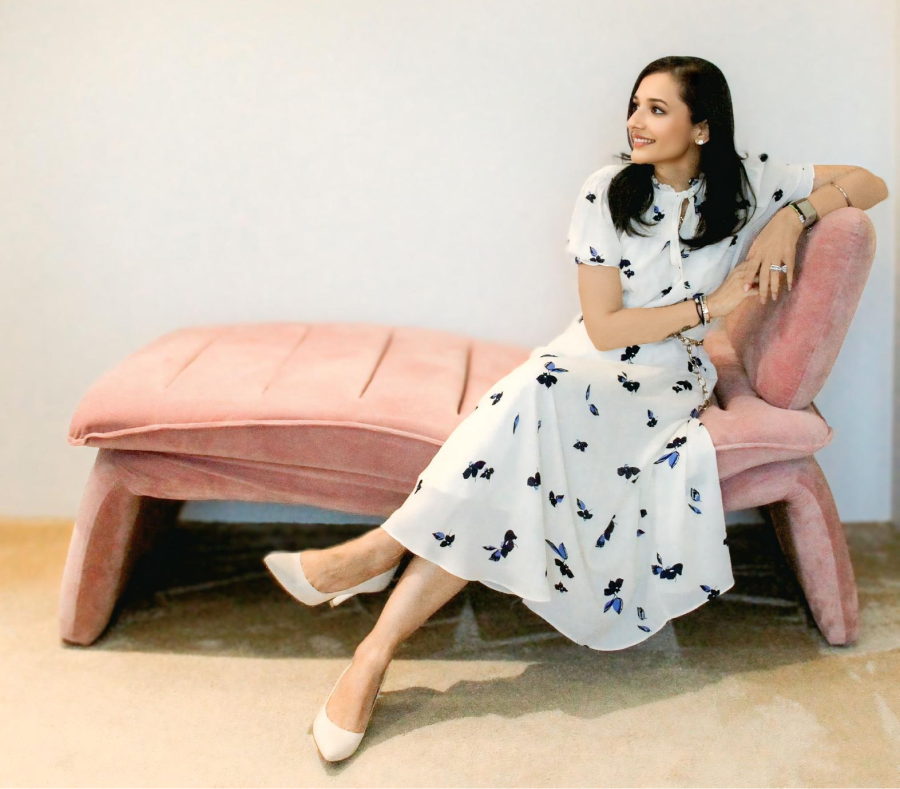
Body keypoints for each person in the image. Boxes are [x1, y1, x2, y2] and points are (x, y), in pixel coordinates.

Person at [265, 56, 834, 762]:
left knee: (525, 411)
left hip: (664, 382)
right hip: (585, 363)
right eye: (635, 105)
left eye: (657, 109)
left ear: (704, 127)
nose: (635, 121)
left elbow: (869, 183)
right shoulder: (608, 191)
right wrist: (708, 306)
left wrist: (794, 218)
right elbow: (604, 327)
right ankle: (373, 650)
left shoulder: (748, 182)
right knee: (532, 403)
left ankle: (380, 561)